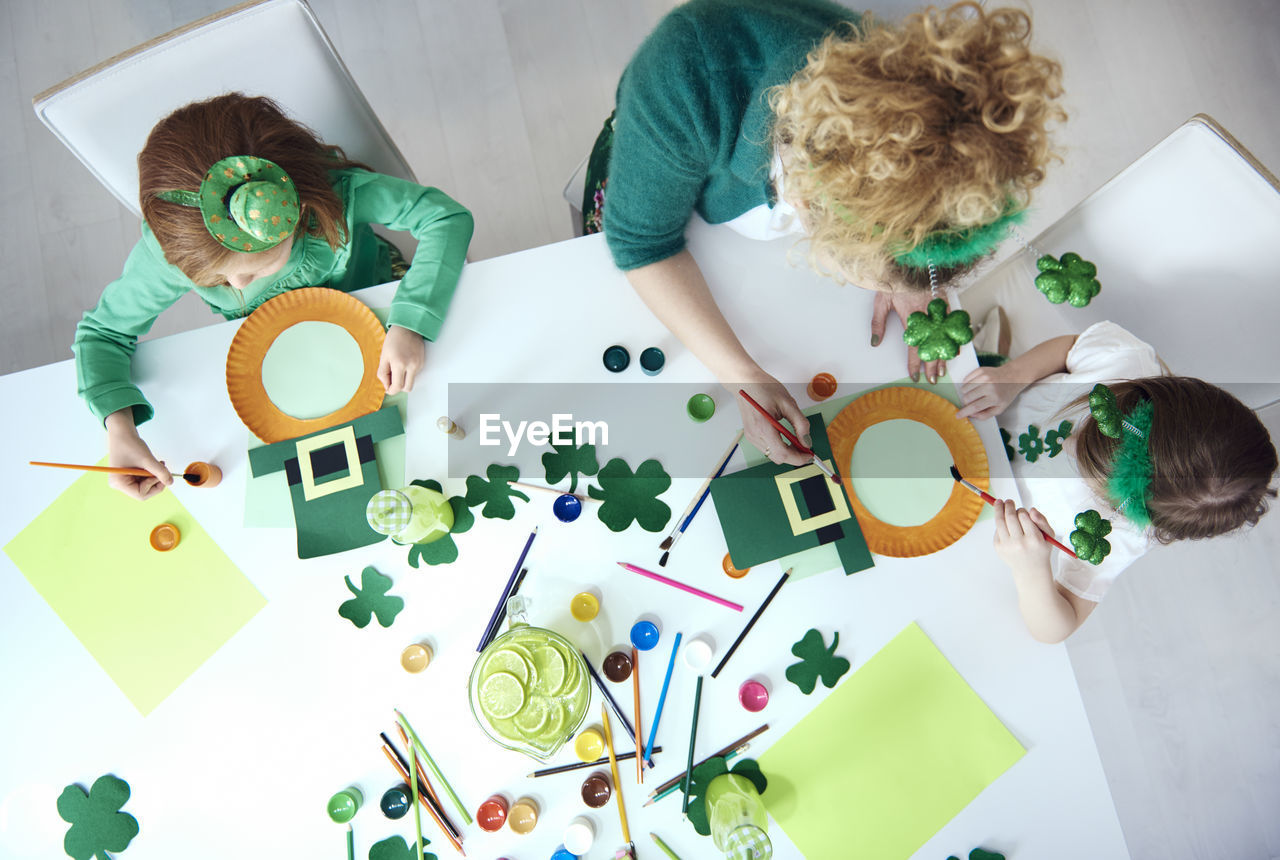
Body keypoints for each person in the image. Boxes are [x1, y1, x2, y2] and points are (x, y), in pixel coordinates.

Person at [591, 0, 1065, 464]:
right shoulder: (687, 76)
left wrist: (917, 278)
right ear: (809, 206)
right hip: (650, 181)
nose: (887, 291)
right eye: (877, 279)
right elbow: (642, 244)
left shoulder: (907, 116)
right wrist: (741, 376)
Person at [73, 94, 474, 500]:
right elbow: (101, 334)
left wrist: (410, 320)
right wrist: (118, 427)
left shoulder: (338, 196)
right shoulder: (171, 252)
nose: (240, 284)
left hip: (387, 316)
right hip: (289, 366)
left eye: (257, 267)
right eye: (217, 279)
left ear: (299, 213)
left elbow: (445, 217)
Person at [956, 321, 1278, 642]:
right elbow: (1070, 348)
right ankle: (995, 347)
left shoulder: (1119, 536)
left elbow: (1057, 628)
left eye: (1086, 464)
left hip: (967, 511)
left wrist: (1030, 571)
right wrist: (1013, 376)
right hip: (987, 402)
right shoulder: (1126, 362)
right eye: (1088, 428)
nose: (1067, 444)